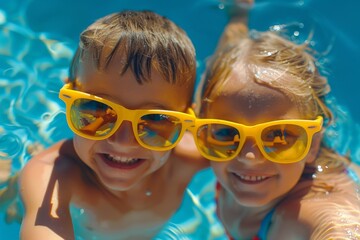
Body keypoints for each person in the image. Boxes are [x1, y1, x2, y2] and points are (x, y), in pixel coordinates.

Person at [19, 10, 208, 239]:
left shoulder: (189, 159)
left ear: (187, 121)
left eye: (155, 119)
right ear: (69, 96)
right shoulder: (55, 175)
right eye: (99, 109)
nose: (123, 142)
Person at [191, 2, 360, 239]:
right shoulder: (211, 121)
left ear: (312, 145)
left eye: (277, 135)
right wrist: (238, 15)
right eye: (228, 133)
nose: (249, 157)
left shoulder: (307, 212)